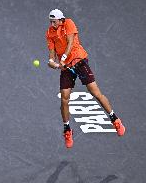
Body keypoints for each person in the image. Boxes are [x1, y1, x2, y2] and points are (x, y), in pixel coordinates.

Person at [45, 9, 125, 148]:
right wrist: (52, 62)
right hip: (66, 68)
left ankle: (115, 119)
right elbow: (51, 54)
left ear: (61, 20)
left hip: (79, 61)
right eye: (50, 21)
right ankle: (67, 129)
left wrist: (63, 58)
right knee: (64, 97)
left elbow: (70, 42)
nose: (52, 24)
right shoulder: (50, 32)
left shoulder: (68, 23)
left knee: (95, 93)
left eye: (54, 21)